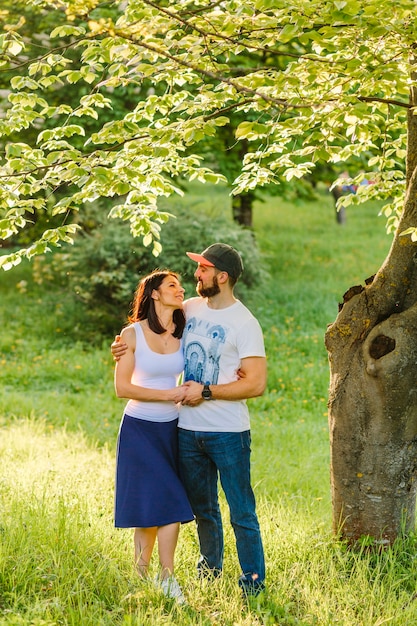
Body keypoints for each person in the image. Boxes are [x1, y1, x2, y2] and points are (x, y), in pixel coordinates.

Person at [112, 244, 267, 597]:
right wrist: (121, 347)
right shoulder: (190, 309)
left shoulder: (245, 323)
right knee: (202, 509)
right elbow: (146, 336)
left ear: (221, 276)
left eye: (203, 269)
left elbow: (256, 383)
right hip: (184, 429)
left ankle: (253, 585)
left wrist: (208, 391)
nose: (194, 277)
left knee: (241, 510)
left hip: (227, 430)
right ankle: (209, 573)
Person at [113, 269, 194, 604]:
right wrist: (169, 395)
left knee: (162, 501)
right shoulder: (131, 335)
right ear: (155, 294)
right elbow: (122, 387)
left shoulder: (185, 327)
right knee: (163, 502)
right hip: (139, 429)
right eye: (172, 286)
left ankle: (153, 576)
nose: (180, 289)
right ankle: (159, 577)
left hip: (172, 429)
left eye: (181, 285)